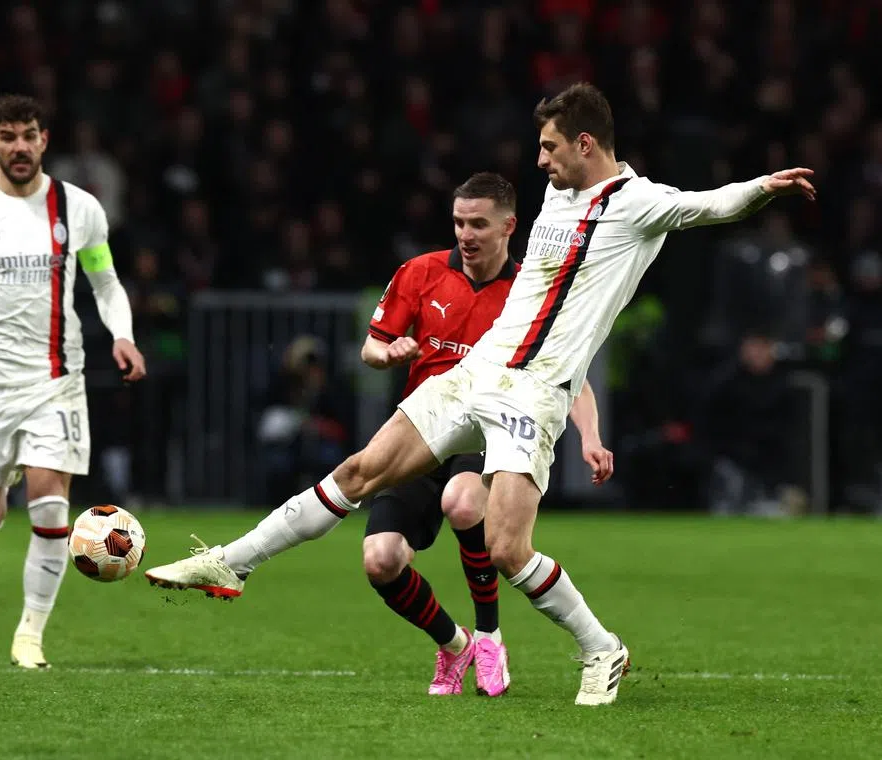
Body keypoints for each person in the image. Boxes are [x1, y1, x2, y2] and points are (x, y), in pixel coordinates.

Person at [145, 82, 815, 705]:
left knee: (507, 550)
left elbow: (710, 206)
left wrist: (766, 186)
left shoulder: (637, 205)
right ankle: (231, 563)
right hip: (476, 375)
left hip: (533, 396)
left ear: (586, 144)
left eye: (550, 146)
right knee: (359, 471)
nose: (540, 159)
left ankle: (602, 649)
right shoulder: (556, 194)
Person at [0, 94, 146, 669]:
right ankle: (5, 469)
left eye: (29, 135)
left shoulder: (79, 208)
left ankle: (30, 635)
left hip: (54, 381)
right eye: (8, 136)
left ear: (44, 140)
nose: (20, 146)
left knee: (48, 502)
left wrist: (122, 333)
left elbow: (105, 281)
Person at [359, 172, 612, 696]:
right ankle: (456, 645)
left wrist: (590, 436)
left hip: (485, 435)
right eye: (458, 222)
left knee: (463, 502)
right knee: (381, 561)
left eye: (478, 224)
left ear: (508, 228)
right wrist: (390, 353)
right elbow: (372, 347)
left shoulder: (532, 291)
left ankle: (491, 634)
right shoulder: (420, 272)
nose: (466, 234)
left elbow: (571, 378)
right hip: (423, 431)